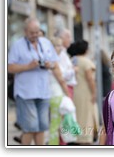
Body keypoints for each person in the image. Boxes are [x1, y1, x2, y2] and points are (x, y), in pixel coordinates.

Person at [8, 17, 59, 145]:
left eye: (37, 32)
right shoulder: (17, 45)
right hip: (25, 93)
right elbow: (9, 67)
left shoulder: (45, 42)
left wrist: (49, 65)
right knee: (30, 128)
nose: (35, 35)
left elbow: (55, 63)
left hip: (43, 92)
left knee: (41, 127)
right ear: (25, 31)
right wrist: (28, 66)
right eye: (32, 32)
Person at [68, 40, 99, 145]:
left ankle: (76, 137)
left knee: (77, 116)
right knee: (87, 117)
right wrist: (94, 92)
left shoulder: (72, 60)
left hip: (74, 92)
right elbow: (90, 79)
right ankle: (85, 140)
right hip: (86, 93)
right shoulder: (86, 62)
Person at [48, 37, 71, 145]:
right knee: (55, 125)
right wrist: (68, 94)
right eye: (58, 45)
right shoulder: (53, 61)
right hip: (56, 94)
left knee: (56, 124)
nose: (60, 48)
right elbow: (61, 80)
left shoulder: (50, 60)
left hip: (52, 94)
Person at [55, 28, 77, 100]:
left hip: (66, 88)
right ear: (61, 38)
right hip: (63, 89)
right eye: (68, 36)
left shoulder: (63, 52)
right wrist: (73, 70)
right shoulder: (59, 53)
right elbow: (61, 75)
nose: (70, 39)